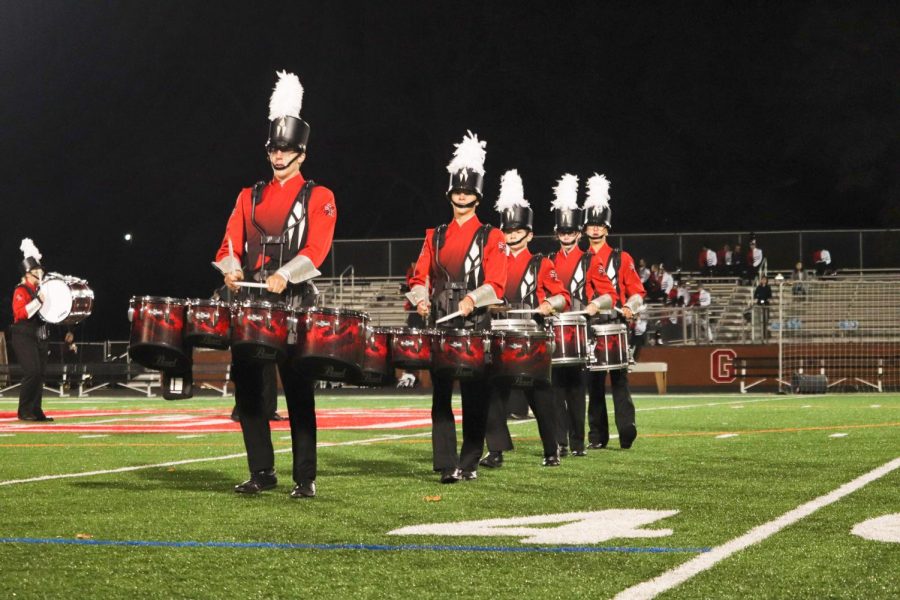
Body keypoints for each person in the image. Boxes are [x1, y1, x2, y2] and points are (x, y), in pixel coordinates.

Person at [213, 71, 336, 499]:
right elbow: (228, 243)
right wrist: (230, 268)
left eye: (286, 149)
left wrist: (286, 274)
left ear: (301, 153)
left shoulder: (320, 196)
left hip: (296, 302)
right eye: (274, 148)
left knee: (299, 392)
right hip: (251, 304)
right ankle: (261, 471)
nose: (279, 155)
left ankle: (306, 477)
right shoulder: (248, 195)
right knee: (248, 391)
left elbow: (317, 249)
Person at [407, 131, 507, 483]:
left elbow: (496, 283)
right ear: (450, 193)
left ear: (477, 197)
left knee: (475, 394)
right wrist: (420, 299)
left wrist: (471, 300)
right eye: (456, 191)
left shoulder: (492, 236)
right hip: (440, 321)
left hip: (475, 321)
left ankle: (469, 461)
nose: (461, 195)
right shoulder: (433, 236)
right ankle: (446, 462)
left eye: (467, 191)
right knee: (440, 393)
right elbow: (418, 277)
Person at [480, 170, 569, 468]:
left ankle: (551, 448)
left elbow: (562, 297)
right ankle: (496, 451)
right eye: (508, 231)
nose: (512, 236)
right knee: (493, 394)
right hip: (499, 336)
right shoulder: (493, 263)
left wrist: (548, 304)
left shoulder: (541, 263)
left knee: (540, 396)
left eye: (518, 231)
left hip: (531, 337)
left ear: (529, 234)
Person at [581, 174, 646, 450]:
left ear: (607, 228)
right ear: (585, 229)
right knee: (593, 383)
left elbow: (636, 292)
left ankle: (626, 429)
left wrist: (630, 306)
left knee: (619, 379)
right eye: (591, 225)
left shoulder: (622, 258)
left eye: (600, 225)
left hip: (615, 325)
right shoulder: (580, 259)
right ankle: (597, 435)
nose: (595, 230)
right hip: (589, 325)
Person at [10, 239, 53, 422]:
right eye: (36, 272)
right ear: (28, 275)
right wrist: (38, 301)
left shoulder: (40, 290)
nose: (40, 274)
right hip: (23, 334)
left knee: (41, 373)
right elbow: (20, 314)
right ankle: (24, 410)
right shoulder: (21, 290)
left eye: (40, 271)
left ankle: (36, 410)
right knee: (32, 372)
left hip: (38, 335)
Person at [753, 275, 773, 341]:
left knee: (765, 320)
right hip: (759, 305)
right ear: (761, 280)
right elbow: (755, 295)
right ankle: (761, 334)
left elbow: (770, 296)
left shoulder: (768, 287)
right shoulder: (758, 287)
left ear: (766, 280)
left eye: (765, 279)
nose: (763, 280)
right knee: (760, 320)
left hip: (766, 305)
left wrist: (766, 300)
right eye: (762, 279)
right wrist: (759, 299)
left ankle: (765, 334)